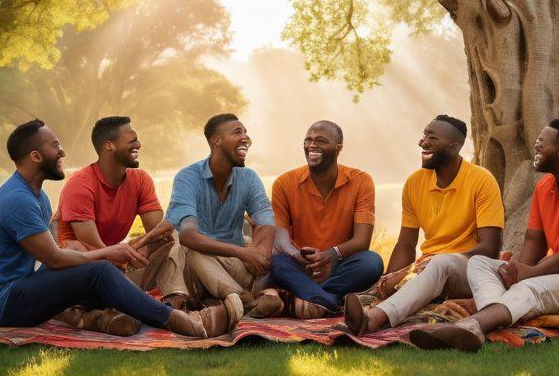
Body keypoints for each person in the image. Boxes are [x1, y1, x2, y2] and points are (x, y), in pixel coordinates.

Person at [0, 119, 241, 338]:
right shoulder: (17, 199)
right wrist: (107, 254)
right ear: (35, 156)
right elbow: (55, 258)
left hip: (23, 288)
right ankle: (182, 322)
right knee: (98, 269)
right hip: (5, 304)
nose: (62, 151)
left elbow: (52, 258)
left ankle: (105, 315)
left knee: (94, 270)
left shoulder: (37, 196)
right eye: (55, 145)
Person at [409, 118, 559, 351]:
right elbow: (534, 241)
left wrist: (528, 275)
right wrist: (515, 271)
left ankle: (473, 325)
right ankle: (492, 318)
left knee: (530, 289)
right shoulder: (544, 186)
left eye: (541, 144)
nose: (535, 147)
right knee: (479, 263)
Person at [344, 115, 503, 336]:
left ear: (455, 145)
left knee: (441, 262)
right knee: (375, 291)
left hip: (469, 268)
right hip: (426, 268)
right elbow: (406, 244)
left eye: (432, 137)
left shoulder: (481, 180)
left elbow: (489, 248)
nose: (423, 142)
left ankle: (374, 318)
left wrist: (424, 265)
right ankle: (377, 308)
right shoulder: (415, 183)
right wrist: (389, 280)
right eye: (424, 135)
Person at [56, 115, 189, 309]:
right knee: (81, 250)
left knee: (177, 235)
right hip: (85, 271)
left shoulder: (140, 179)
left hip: (118, 265)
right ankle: (144, 306)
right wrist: (139, 247)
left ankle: (175, 300)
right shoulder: (80, 184)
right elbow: (95, 250)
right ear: (109, 145)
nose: (139, 144)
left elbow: (160, 232)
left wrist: (145, 244)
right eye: (132, 139)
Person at [167, 113, 281, 314]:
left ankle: (228, 301)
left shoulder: (249, 178)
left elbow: (266, 223)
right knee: (195, 254)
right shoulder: (187, 177)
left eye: (246, 133)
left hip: (235, 267)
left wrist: (259, 255)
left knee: (203, 256)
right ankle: (246, 302)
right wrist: (243, 252)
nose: (246, 138)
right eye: (238, 132)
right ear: (216, 140)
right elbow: (188, 236)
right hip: (197, 271)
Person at [269, 121, 384, 317]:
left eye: (321, 141)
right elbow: (280, 240)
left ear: (338, 148)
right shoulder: (284, 183)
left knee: (372, 262)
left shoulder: (361, 181)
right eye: (308, 140)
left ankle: (303, 297)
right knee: (277, 263)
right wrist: (297, 255)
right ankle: (330, 301)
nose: (312, 145)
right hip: (300, 264)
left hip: (340, 264)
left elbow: (362, 241)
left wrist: (332, 254)